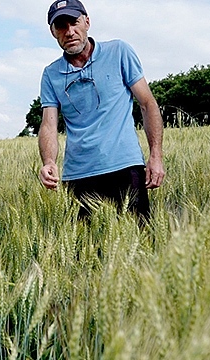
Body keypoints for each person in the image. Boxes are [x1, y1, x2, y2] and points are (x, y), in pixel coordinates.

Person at [38, 0, 165, 222]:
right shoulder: (51, 74)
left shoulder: (119, 52)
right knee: (86, 252)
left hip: (126, 166)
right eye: (61, 26)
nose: (69, 32)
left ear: (87, 22)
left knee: (141, 244)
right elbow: (48, 124)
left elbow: (147, 104)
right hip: (79, 175)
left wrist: (155, 155)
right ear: (52, 32)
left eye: (74, 22)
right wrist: (48, 162)